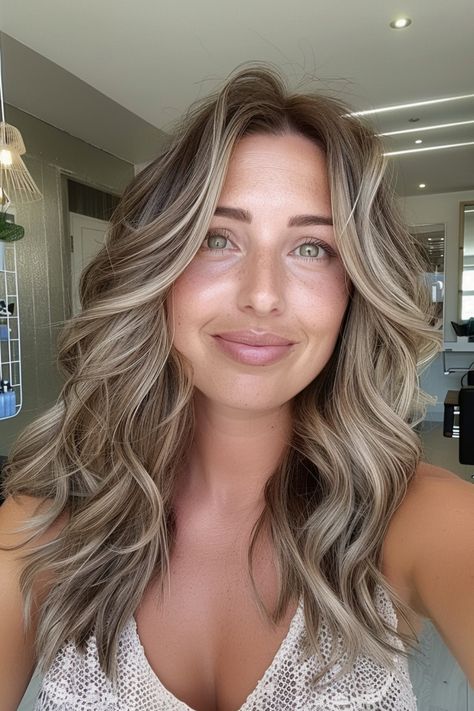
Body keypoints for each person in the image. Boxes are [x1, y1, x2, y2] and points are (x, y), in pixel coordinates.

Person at [0, 63, 473, 711]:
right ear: (160, 267)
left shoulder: (425, 519)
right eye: (218, 238)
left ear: (355, 288)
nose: (262, 295)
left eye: (311, 248)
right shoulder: (39, 527)